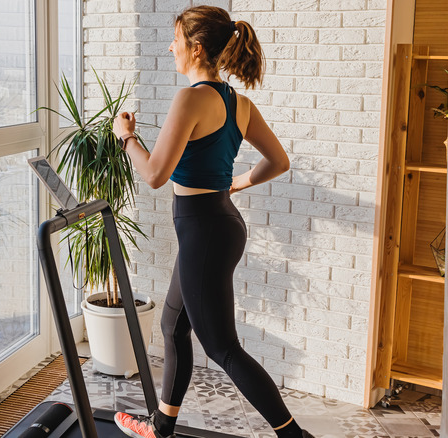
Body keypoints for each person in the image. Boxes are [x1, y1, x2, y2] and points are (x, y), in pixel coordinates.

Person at [111, 6, 314, 438]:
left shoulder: (190, 98)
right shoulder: (238, 103)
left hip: (203, 231)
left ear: (196, 47)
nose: (170, 46)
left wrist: (126, 135)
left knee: (223, 348)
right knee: (173, 324)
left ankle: (296, 437)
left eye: (176, 40)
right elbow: (278, 161)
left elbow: (153, 175)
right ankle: (161, 426)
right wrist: (235, 185)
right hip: (220, 223)